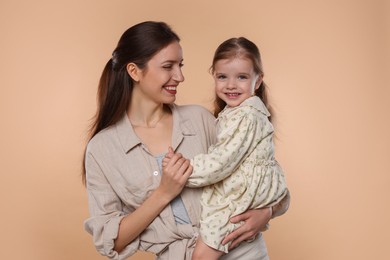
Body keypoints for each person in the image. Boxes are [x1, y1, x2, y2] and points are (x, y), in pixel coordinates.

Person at [83, 21, 290, 260]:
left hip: (242, 251)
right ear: (134, 71)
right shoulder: (101, 149)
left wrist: (267, 212)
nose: (180, 76)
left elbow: (263, 173)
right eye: (168, 66)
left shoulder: (201, 119)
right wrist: (163, 193)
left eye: (180, 65)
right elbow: (112, 242)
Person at [163, 37, 288, 259]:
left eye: (242, 77)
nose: (231, 85)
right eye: (222, 77)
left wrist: (184, 170)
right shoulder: (235, 114)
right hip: (241, 196)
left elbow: (221, 161)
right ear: (214, 76)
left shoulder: (246, 116)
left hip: (237, 200)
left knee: (201, 256)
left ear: (257, 81)